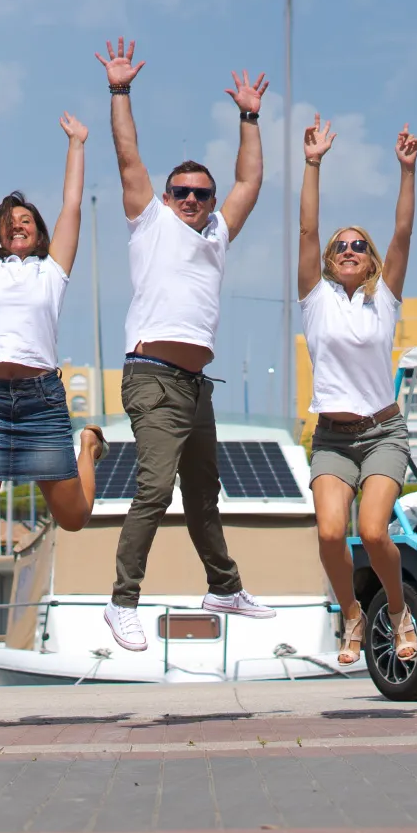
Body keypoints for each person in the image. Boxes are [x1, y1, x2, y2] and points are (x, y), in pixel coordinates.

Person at [96, 37, 276, 652]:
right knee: (155, 488)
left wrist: (249, 118)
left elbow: (250, 180)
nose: (195, 201)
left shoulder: (216, 235)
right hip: (151, 376)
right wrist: (120, 91)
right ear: (168, 199)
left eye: (202, 193)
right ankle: (122, 602)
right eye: (184, 193)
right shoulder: (151, 222)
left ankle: (224, 585)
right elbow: (127, 156)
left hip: (196, 387)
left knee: (205, 494)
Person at [0, 97, 108, 541]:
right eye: (9, 221)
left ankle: (88, 445)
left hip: (41, 402)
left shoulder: (51, 271)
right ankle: (0, 461)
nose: (18, 224)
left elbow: (72, 207)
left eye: (26, 220)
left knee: (74, 518)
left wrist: (77, 145)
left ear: (39, 233)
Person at [297, 115, 417, 666]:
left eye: (358, 246)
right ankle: (351, 612)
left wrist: (407, 171)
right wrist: (313, 163)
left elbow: (403, 232)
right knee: (329, 534)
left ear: (370, 260)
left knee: (373, 532)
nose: (349, 250)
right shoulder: (315, 298)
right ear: (329, 258)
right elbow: (305, 230)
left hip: (382, 432)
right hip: (331, 434)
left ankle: (395, 610)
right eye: (340, 246)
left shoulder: (384, 298)